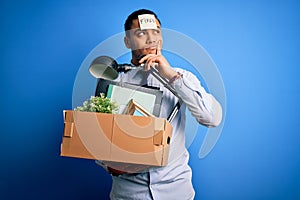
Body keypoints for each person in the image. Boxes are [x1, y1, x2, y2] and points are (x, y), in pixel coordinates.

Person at [97, 9, 222, 199]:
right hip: (129, 194)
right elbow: (96, 135)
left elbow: (211, 118)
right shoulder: (113, 80)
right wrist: (109, 165)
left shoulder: (182, 77)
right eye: (141, 33)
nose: (151, 39)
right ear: (127, 42)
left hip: (176, 191)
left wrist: (171, 77)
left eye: (156, 32)